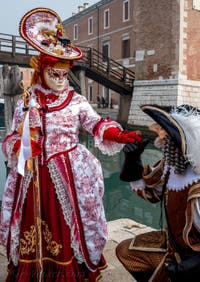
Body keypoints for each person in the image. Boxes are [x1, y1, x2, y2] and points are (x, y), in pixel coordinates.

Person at [0, 8, 142, 282]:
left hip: (67, 171)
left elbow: (95, 123)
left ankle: (69, 269)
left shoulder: (76, 100)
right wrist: (21, 146)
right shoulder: (26, 101)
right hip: (32, 175)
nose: (62, 78)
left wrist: (118, 134)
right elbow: (11, 138)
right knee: (31, 223)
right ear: (42, 68)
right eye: (56, 72)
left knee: (69, 223)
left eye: (66, 74)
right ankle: (34, 269)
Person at [116, 104, 200, 282]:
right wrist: (133, 159)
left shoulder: (197, 187)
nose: (161, 137)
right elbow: (150, 194)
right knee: (126, 251)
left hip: (194, 260)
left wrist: (187, 268)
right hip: (174, 247)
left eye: (165, 133)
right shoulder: (172, 166)